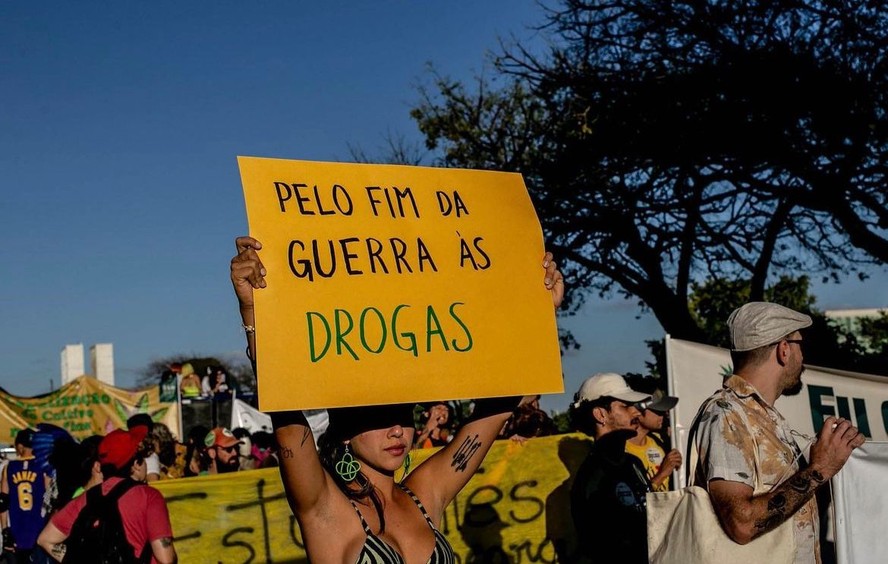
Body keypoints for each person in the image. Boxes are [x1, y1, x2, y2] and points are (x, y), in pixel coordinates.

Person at [230, 235, 563, 563]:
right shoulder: (323, 507)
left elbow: (495, 411)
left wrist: (538, 312)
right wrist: (252, 310)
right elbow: (285, 411)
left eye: (404, 415)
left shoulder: (425, 494)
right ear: (345, 430)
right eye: (376, 418)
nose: (396, 430)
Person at [692, 302, 865, 561]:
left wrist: (833, 458)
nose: (803, 357)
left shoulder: (763, 418)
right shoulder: (727, 414)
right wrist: (820, 469)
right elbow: (742, 523)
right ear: (784, 350)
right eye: (800, 345)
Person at [36, 425, 176, 563]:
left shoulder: (85, 498)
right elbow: (165, 558)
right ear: (135, 464)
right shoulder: (149, 496)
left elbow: (45, 540)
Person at [569, 373, 653, 564]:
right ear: (600, 415)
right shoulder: (592, 475)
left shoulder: (634, 463)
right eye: (625, 406)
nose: (637, 413)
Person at [0, 429, 51, 563]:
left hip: (17, 530)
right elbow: (50, 496)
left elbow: (2, 502)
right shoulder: (43, 466)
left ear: (20, 446)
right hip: (39, 530)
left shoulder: (9, 467)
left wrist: (5, 529)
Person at [626, 391, 682, 491]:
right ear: (638, 412)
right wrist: (663, 473)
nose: (663, 415)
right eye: (658, 411)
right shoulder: (622, 449)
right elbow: (634, 498)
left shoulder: (659, 441)